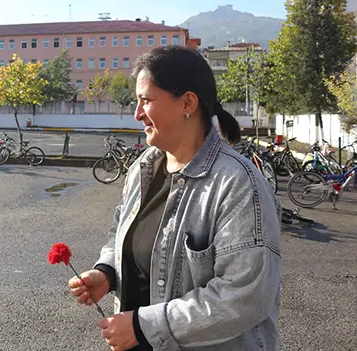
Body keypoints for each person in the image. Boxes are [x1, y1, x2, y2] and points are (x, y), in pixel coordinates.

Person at [69, 45, 282, 351]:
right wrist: (107, 273)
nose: (137, 114)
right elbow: (119, 234)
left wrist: (144, 327)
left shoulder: (237, 184)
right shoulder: (143, 168)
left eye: (146, 101)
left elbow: (244, 297)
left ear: (188, 102)